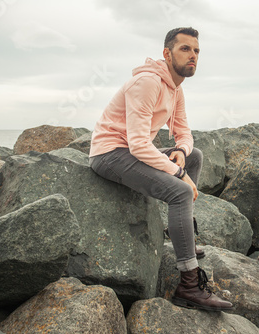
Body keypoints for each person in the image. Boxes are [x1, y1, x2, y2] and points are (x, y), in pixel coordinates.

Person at [89, 27, 233, 311]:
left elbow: (185, 134)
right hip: (109, 153)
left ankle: (183, 237)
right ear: (167, 54)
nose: (193, 56)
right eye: (185, 49)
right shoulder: (148, 83)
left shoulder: (175, 87)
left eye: (196, 51)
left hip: (130, 149)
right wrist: (178, 174)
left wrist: (180, 153)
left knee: (195, 157)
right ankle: (189, 285)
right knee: (180, 192)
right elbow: (139, 144)